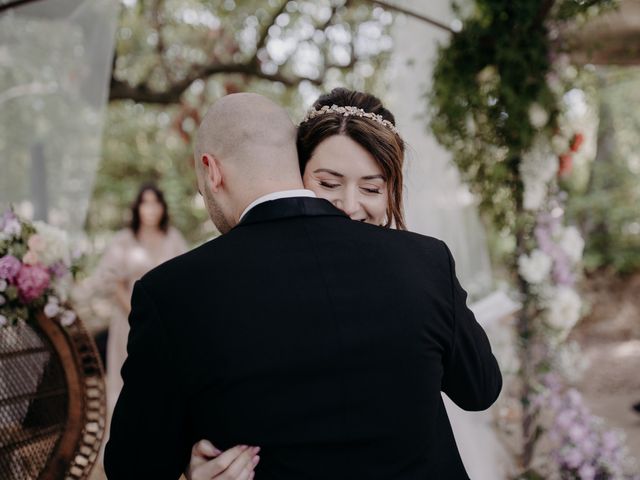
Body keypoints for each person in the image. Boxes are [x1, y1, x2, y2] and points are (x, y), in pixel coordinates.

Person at [105, 92, 502, 479]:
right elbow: (480, 389)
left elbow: (134, 467)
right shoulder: (426, 261)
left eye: (371, 187)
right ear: (296, 166)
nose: (349, 205)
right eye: (330, 182)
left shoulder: (172, 292)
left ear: (211, 170)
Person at [77, 184, 188, 418]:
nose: (150, 209)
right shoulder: (124, 239)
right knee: (128, 383)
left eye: (155, 202)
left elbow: (184, 277)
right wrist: (139, 314)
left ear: (162, 207)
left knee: (164, 382)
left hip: (167, 323)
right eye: (144, 202)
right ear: (137, 208)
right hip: (130, 321)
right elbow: (114, 282)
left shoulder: (173, 237)